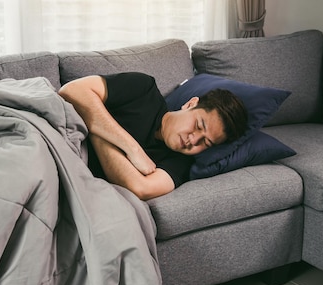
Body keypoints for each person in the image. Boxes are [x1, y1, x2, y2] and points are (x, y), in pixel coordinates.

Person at [58, 72, 248, 200]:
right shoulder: (144, 89)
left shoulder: (180, 163)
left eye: (205, 142)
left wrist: (96, 128)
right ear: (190, 104)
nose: (193, 139)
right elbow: (71, 90)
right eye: (198, 125)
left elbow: (140, 188)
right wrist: (132, 149)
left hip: (69, 174)